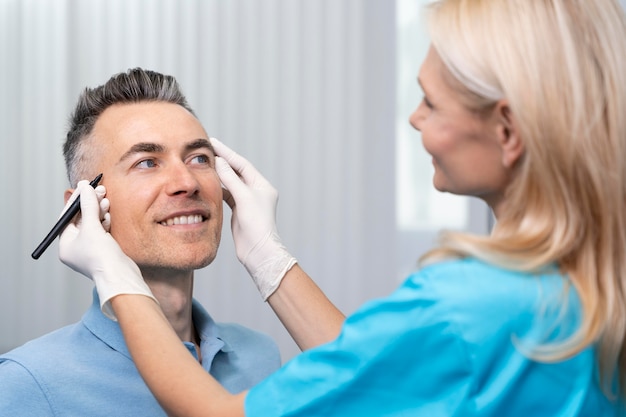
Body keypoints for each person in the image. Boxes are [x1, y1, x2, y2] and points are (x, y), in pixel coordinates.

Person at [59, 0, 626, 415]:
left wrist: (116, 275)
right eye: (147, 161)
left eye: (430, 101)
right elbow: (389, 375)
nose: (414, 119)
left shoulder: (468, 306)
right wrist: (270, 261)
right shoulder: (582, 286)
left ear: (506, 129)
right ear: (84, 203)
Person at [0, 68, 282, 416]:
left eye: (198, 158)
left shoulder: (262, 358)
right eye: (147, 162)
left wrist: (272, 260)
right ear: (80, 209)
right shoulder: (29, 384)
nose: (187, 182)